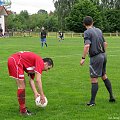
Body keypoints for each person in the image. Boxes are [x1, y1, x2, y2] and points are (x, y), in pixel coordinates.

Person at [80, 16, 115, 106]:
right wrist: (102, 53)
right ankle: (111, 97)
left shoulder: (87, 32)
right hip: (103, 55)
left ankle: (92, 102)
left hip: (96, 57)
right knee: (104, 76)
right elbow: (105, 43)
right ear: (93, 22)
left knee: (94, 79)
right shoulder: (99, 30)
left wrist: (83, 58)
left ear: (84, 24)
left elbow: (87, 46)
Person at [8, 51, 54, 115]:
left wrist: (36, 93)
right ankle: (23, 111)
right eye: (48, 68)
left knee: (22, 84)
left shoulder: (34, 64)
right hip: (16, 61)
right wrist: (42, 95)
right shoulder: (40, 61)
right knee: (21, 85)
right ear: (45, 63)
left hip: (14, 60)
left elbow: (31, 80)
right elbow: (38, 80)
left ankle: (22, 108)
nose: (46, 71)